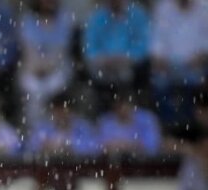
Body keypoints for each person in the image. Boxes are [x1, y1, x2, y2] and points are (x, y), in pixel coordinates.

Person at [17, 0, 79, 128]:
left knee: (52, 88)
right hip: (33, 66)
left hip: (59, 66)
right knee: (33, 91)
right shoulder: (28, 20)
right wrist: (37, 67)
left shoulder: (64, 19)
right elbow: (29, 49)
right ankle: (35, 132)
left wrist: (48, 66)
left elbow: (61, 50)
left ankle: (55, 128)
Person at [149, 0, 208, 130]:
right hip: (169, 66)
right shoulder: (163, 8)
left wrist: (200, 58)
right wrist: (161, 61)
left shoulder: (205, 7)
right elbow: (157, 43)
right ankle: (170, 127)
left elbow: (205, 43)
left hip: (198, 64)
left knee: (195, 81)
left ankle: (192, 125)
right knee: (158, 82)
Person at [82, 0, 151, 113]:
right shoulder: (96, 18)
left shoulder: (138, 15)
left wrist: (128, 58)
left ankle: (130, 111)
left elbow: (144, 45)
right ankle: (106, 115)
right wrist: (104, 59)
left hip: (131, 66)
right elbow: (90, 48)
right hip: (104, 67)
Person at [27, 92, 102, 156]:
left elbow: (95, 148)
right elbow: (30, 147)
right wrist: (45, 147)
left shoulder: (84, 127)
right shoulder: (42, 128)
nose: (61, 114)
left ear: (72, 111)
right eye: (57, 111)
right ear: (52, 111)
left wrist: (70, 147)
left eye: (64, 110)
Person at [97, 91, 164, 155]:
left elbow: (153, 145)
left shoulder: (147, 119)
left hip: (143, 161)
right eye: (118, 107)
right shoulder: (106, 121)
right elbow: (98, 146)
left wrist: (129, 146)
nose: (122, 110)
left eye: (125, 106)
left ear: (133, 105)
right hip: (112, 161)